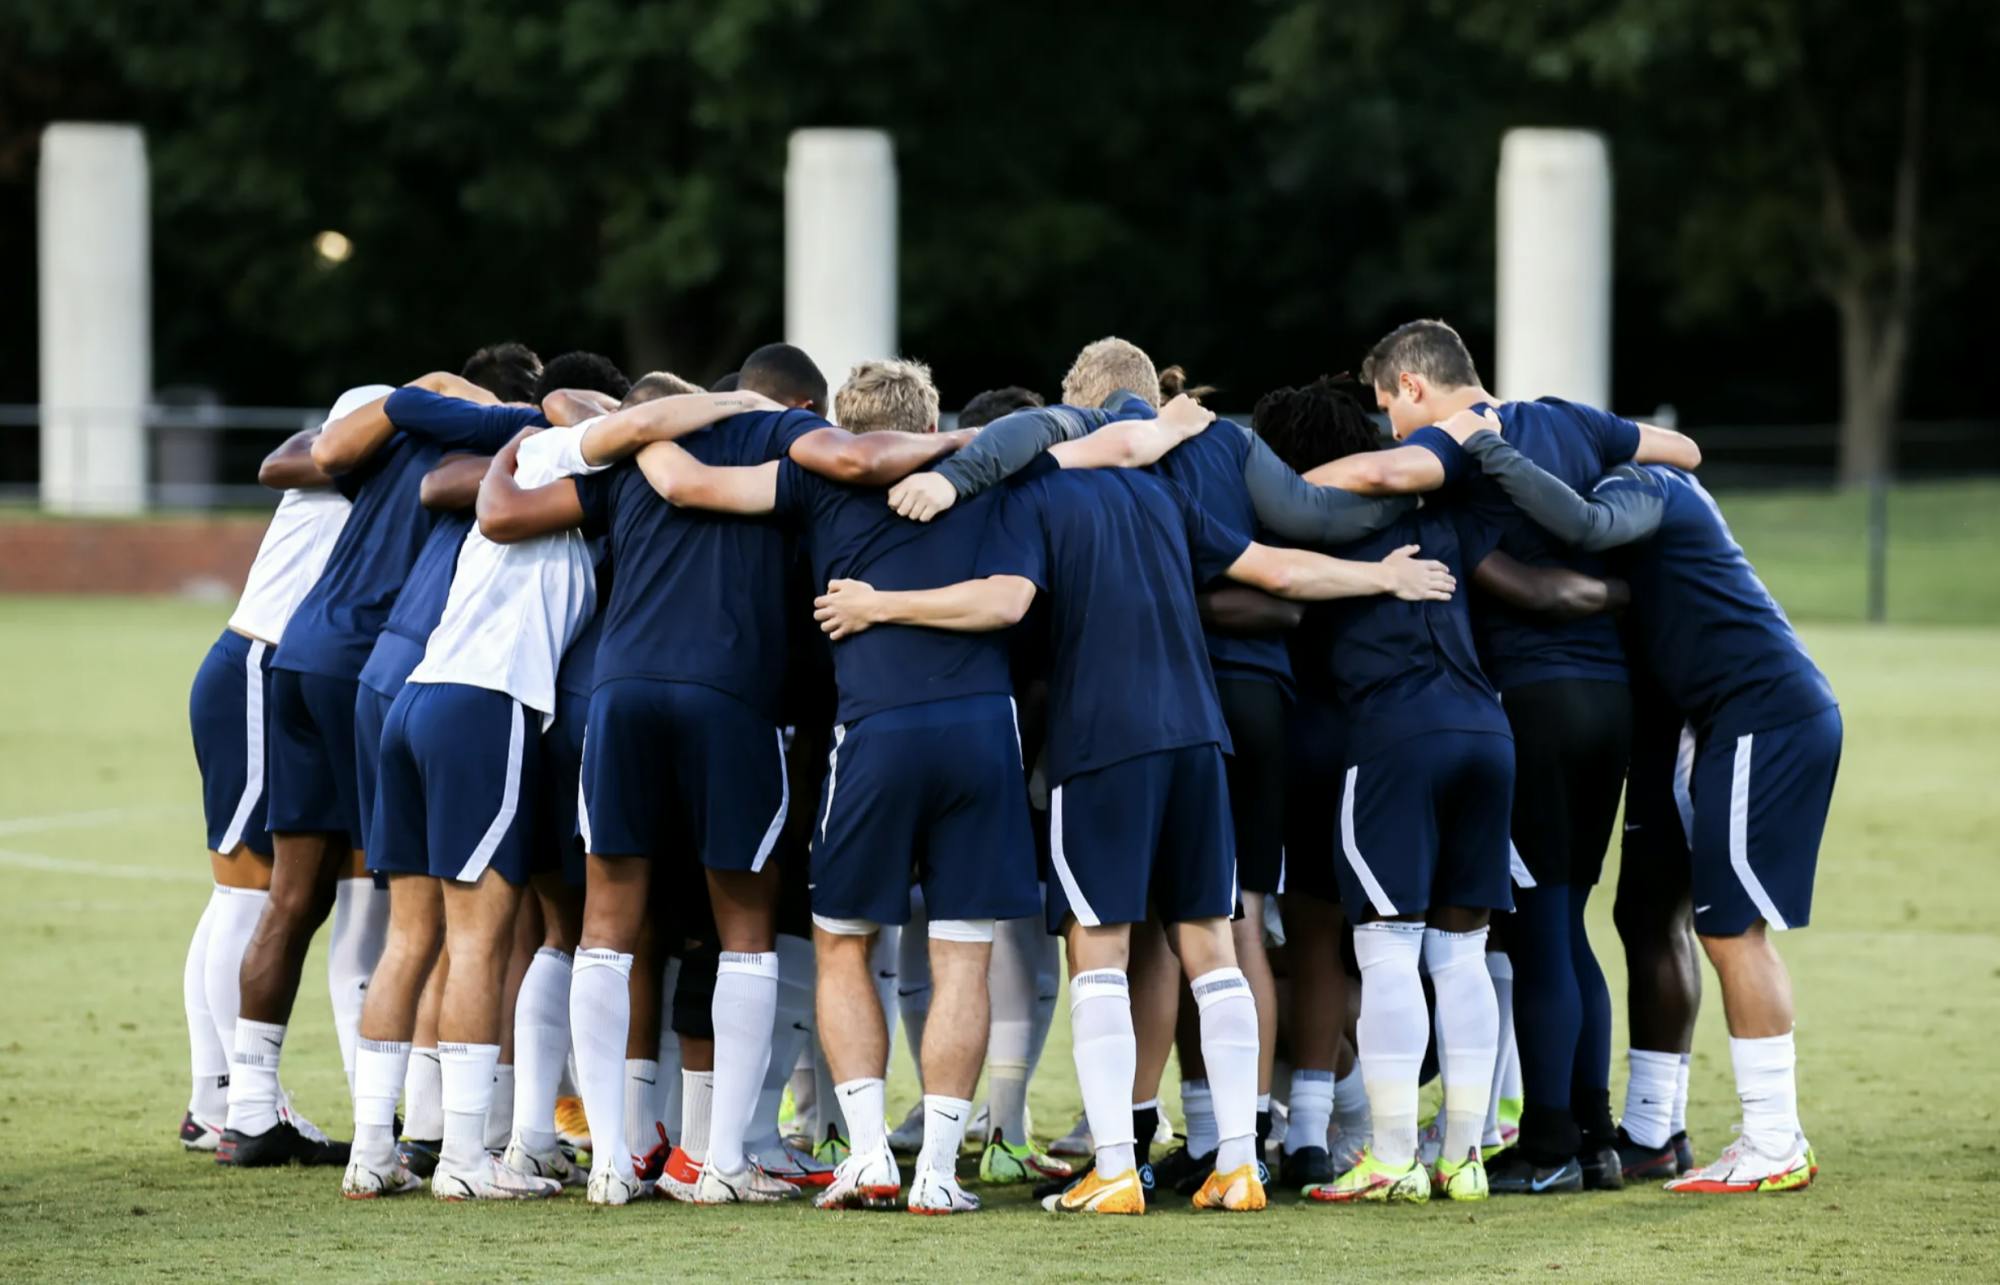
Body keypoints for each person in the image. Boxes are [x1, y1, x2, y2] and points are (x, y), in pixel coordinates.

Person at [814, 423, 1457, 1216]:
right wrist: (1380, 577)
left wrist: (881, 604)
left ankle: (1116, 1164)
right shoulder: (1167, 496)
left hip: (1103, 745)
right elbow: (1279, 570)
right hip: (1199, 736)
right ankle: (1237, 1162)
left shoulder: (1034, 492)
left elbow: (1007, 600)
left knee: (1100, 949)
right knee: (1211, 945)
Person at [629, 359, 1192, 1212]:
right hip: (980, 735)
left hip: (876, 733)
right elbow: (1010, 595)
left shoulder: (816, 481)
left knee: (843, 940)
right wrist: (1168, 427)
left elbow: (686, 483)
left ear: (844, 425)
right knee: (962, 952)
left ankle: (866, 1155)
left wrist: (628, 427)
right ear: (930, 420)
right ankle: (934, 1169)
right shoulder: (999, 480)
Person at [476, 342, 977, 1206]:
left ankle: (608, 1163)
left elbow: (509, 513)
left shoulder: (645, 449)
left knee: (607, 921)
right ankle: (725, 1162)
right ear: (798, 404)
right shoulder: (796, 446)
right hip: (734, 697)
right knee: (744, 925)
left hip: (622, 692)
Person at [1318, 319, 1702, 1194]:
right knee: (1571, 921)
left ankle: (1551, 1138)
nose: (1391, 429)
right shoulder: (1572, 420)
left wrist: (1277, 483)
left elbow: (1390, 484)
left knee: (1540, 929)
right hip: (1609, 702)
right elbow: (1681, 449)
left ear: (1414, 386)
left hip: (1529, 702)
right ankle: (1599, 1135)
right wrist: (1602, 542)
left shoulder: (1454, 450)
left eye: (1389, 409)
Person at [1433, 411, 1839, 1195]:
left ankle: (1774, 1138)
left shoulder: (1647, 483)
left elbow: (1581, 522)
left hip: (1759, 714)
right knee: (1647, 914)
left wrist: (1484, 447)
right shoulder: (1632, 494)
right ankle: (1656, 1129)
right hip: (1703, 722)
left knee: (1732, 931)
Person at [220, 344, 541, 1168]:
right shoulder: (495, 453)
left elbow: (304, 458)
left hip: (300, 648)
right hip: (373, 666)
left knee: (292, 897)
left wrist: (411, 395)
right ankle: (421, 1124)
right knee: (418, 911)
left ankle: (249, 1105)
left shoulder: (389, 432)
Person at [179, 386, 382, 1153]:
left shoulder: (344, 454)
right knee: (247, 892)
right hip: (265, 664)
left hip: (270, 664)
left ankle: (215, 1096)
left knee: (242, 892)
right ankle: (239, 1103)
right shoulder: (368, 449)